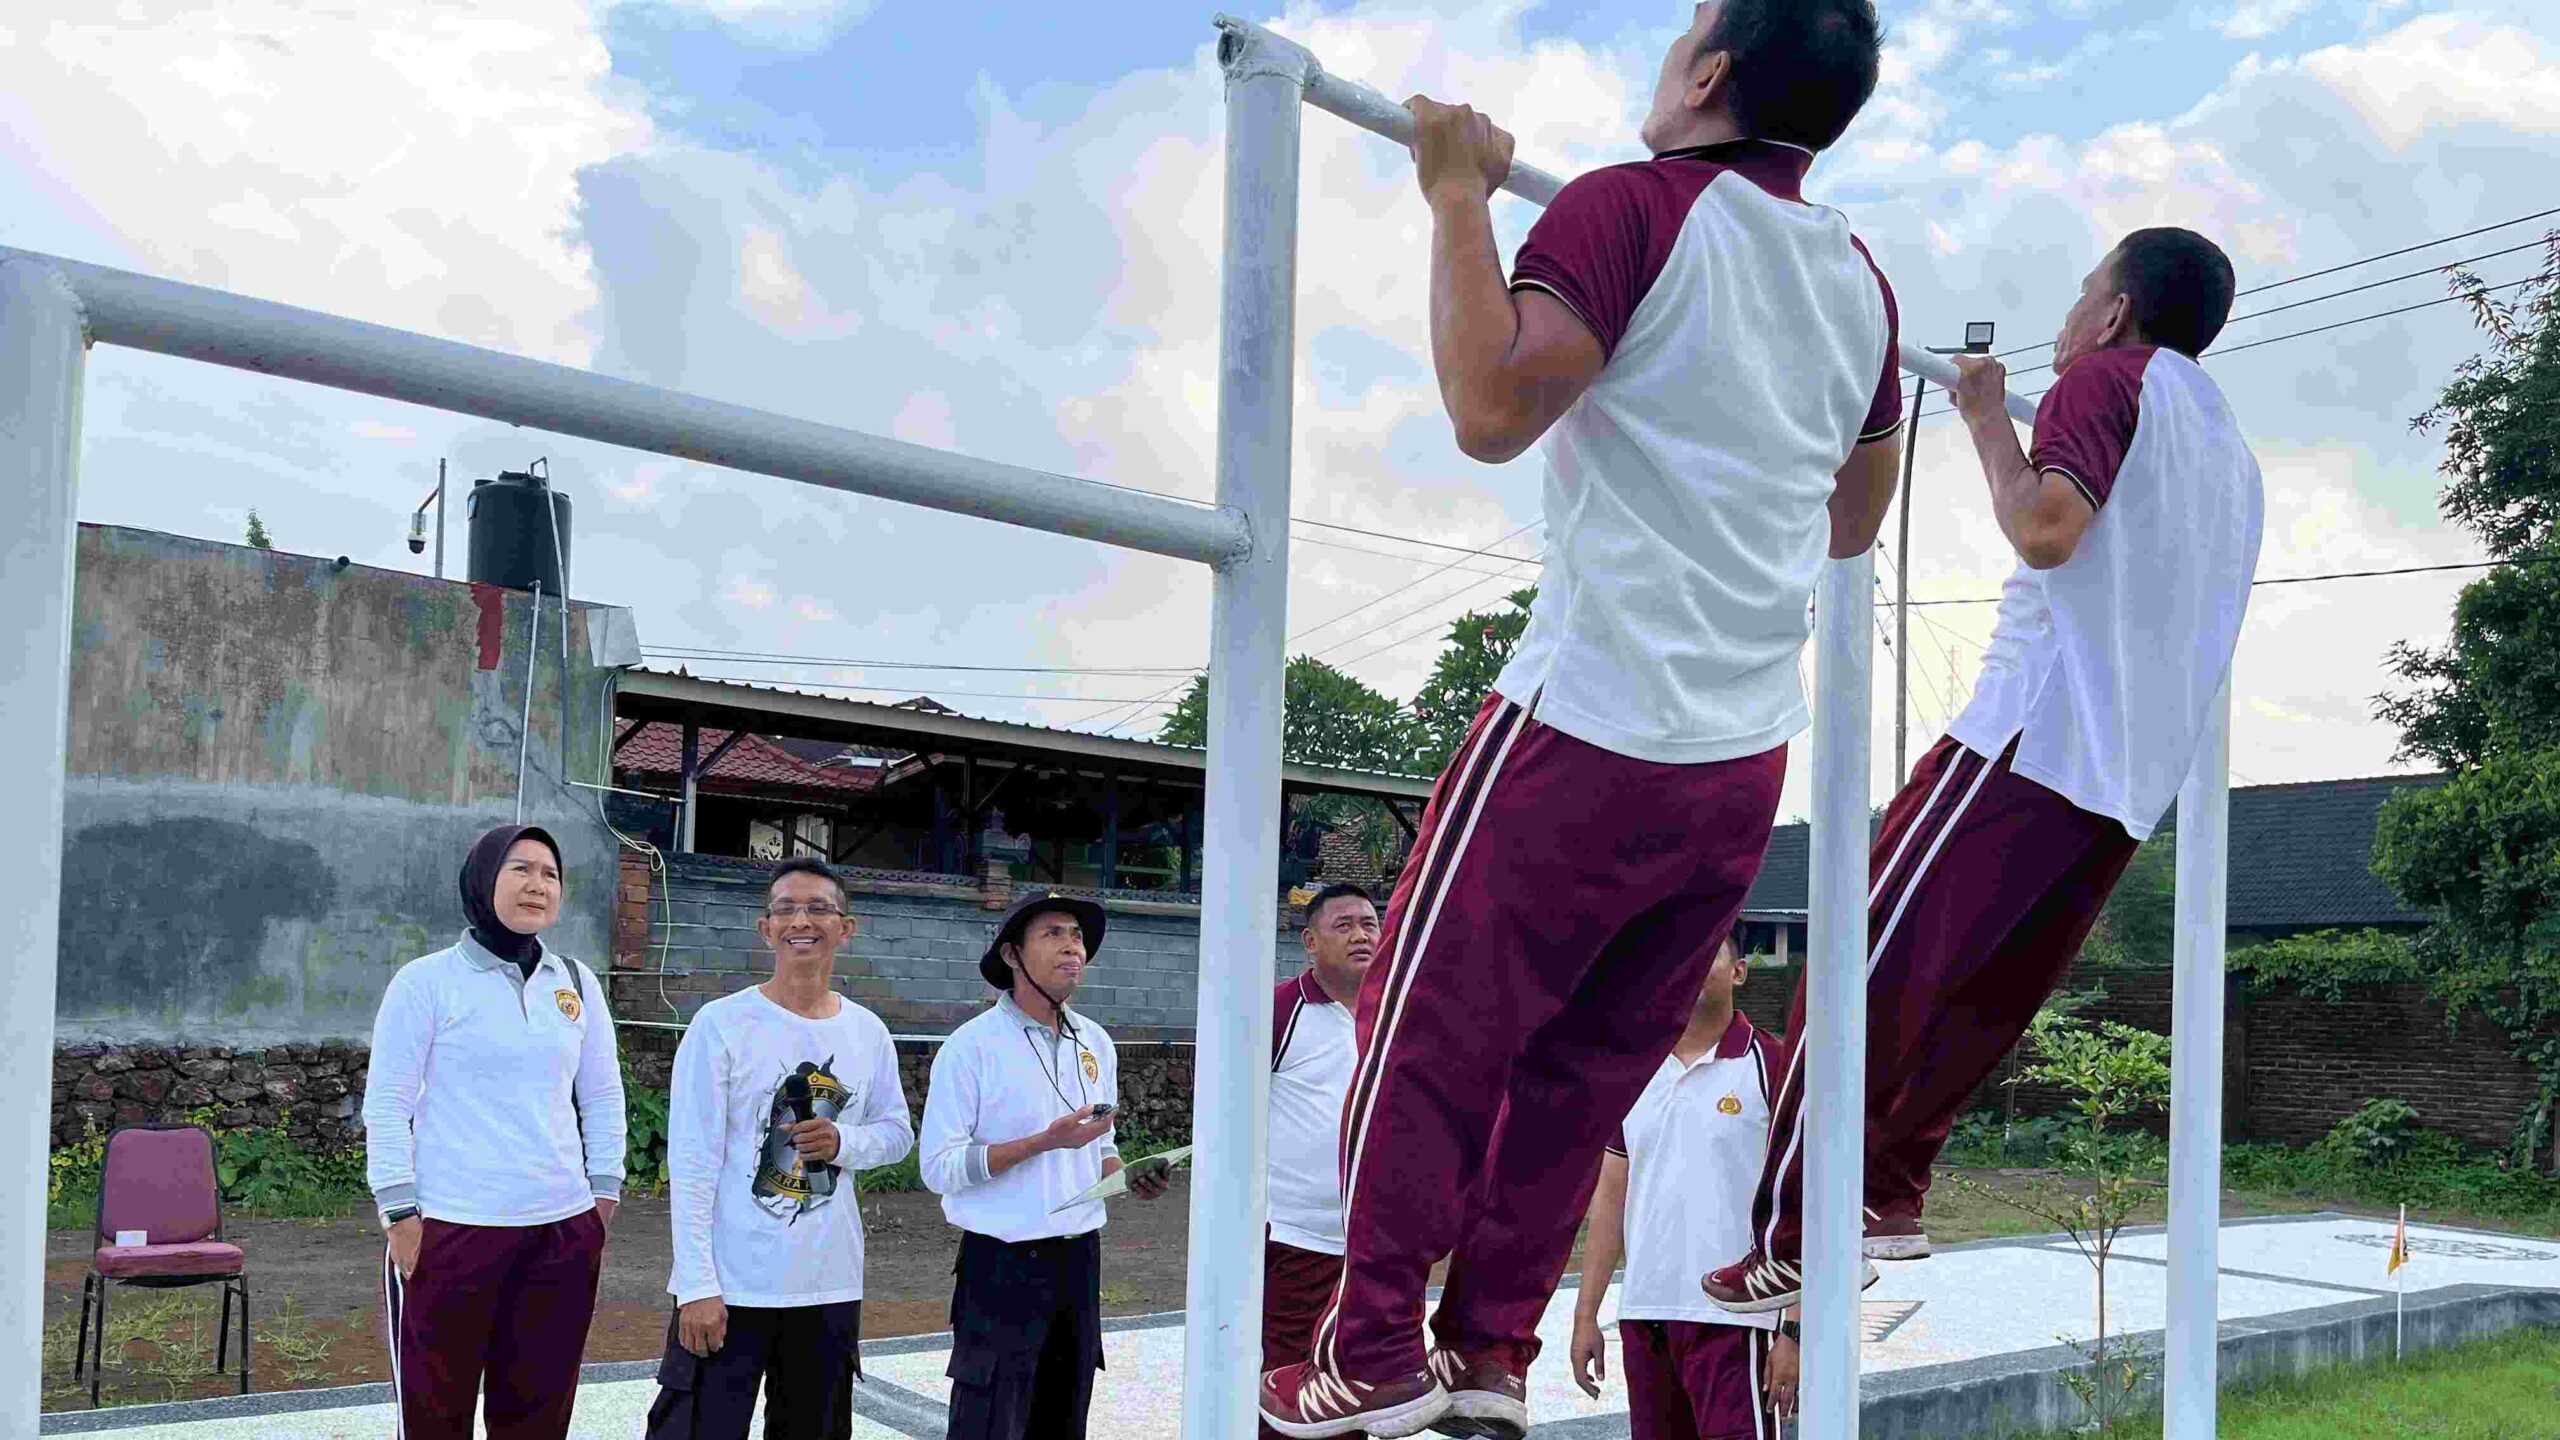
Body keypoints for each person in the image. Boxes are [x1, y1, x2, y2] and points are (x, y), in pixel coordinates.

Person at [1261, 2, 1902, 1434]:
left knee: (1423, 1036)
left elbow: (1491, 408)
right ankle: (1487, 1351)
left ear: (1710, 73)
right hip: (1737, 763)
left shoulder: (1635, 208)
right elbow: (1857, 513)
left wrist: (1452, 198)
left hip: (1585, 726)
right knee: (1579, 1072)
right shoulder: (1861, 284)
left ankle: (1366, 1351)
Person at [1707, 226, 2263, 1313]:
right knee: (1975, 1000)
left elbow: (2047, 528)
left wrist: (1978, 421)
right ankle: (1887, 1193)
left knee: (1857, 970)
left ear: (2110, 315)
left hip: (2027, 741)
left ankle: (1792, 1229)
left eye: (2079, 292)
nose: (2067, 319)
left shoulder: (2106, 378)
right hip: (2124, 780)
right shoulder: (2227, 449)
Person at [364, 823, 626, 1440]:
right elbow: (387, 1104)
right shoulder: (425, 982)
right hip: (451, 1229)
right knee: (435, 1414)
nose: (538, 885)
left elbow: (603, 1094)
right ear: (484, 880)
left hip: (560, 1233)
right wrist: (399, 1212)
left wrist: (603, 1194)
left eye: (551, 874)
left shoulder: (577, 984)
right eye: (521, 869)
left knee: (538, 1412)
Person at [646, 856, 915, 1440]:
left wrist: (844, 1140)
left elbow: (896, 1135)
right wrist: (695, 1285)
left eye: (820, 908)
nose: (803, 920)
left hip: (828, 1283)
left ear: (846, 928)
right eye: (786, 908)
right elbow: (692, 1162)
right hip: (731, 1284)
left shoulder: (868, 1032)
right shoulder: (721, 1025)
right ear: (764, 928)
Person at [919, 891, 1169, 1439]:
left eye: (1076, 935)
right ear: (1012, 955)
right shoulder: (971, 1047)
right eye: (1053, 934)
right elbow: (938, 1168)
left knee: (1064, 1410)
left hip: (1078, 1261)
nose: (1071, 947)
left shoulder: (1095, 1042)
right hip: (1001, 1265)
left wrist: (1125, 1173)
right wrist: (1040, 1143)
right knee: (990, 1419)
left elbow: (1102, 1144)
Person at [1570, 937, 1799, 1439]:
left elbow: (1806, 1203)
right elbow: (1610, 1199)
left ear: (1739, 972)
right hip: (1646, 1316)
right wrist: (1586, 1315)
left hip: (1741, 1319)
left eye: (1708, 951)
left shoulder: (1774, 1066)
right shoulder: (1633, 1072)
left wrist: (1795, 1330)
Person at [1264, 884, 1382, 1440]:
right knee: (1284, 1399)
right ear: (1310, 940)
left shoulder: (1397, 1017)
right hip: (1292, 1240)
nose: (1362, 935)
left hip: (1372, 1250)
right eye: (1344, 925)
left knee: (1355, 1396)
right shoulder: (1280, 1011)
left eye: (1370, 923)